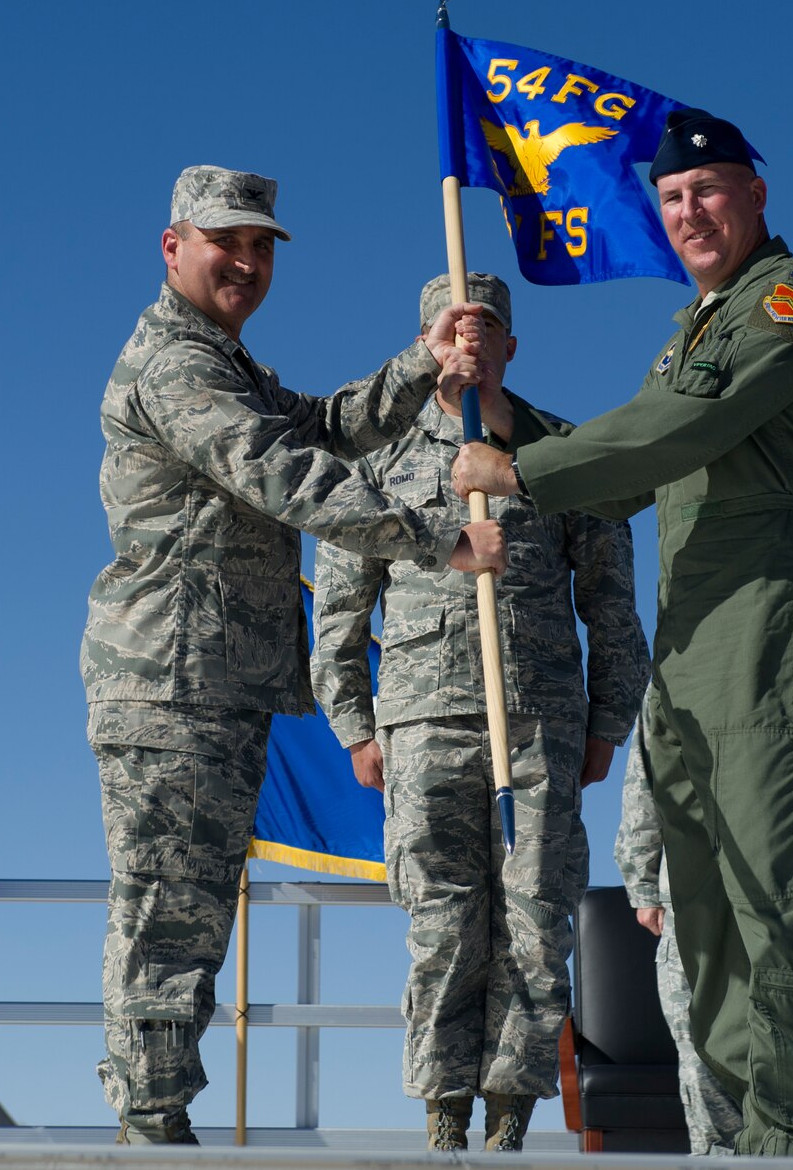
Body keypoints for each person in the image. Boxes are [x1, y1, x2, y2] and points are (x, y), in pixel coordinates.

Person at [452, 108, 793, 1156]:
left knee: (779, 899)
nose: (689, 212)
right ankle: (740, 1137)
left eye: (709, 190)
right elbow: (636, 461)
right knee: (706, 914)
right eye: (673, 198)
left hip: (775, 620)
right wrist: (499, 411)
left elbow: (683, 427)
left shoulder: (792, 301)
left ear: (754, 196)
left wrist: (515, 471)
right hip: (689, 642)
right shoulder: (690, 334)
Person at [80, 166, 507, 1145]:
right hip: (167, 676)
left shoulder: (228, 363)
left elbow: (317, 426)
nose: (246, 259)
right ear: (172, 246)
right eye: (226, 239)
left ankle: (158, 1112)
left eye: (262, 244)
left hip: (216, 679)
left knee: (190, 907)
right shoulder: (175, 365)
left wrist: (420, 365)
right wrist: (434, 533)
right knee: (166, 900)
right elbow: (279, 469)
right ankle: (149, 1120)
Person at [311, 272, 649, 1152]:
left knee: (535, 923)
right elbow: (341, 608)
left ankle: (510, 1120)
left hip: (538, 721)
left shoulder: (562, 453)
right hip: (422, 723)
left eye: (485, 326)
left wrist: (609, 717)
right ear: (429, 343)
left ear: (509, 346)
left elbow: (611, 598)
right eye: (450, 327)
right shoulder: (379, 461)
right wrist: (354, 723)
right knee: (441, 925)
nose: (468, 342)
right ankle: (444, 1115)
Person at [615, 722, 793, 1153]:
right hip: (733, 908)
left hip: (750, 911)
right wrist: (643, 884)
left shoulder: (787, 679)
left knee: (765, 1071)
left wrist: (644, 883)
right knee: (716, 1066)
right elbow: (649, 767)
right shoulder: (792, 673)